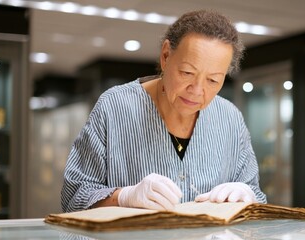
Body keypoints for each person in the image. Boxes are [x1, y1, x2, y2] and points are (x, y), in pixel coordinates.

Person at [61, 9, 267, 213]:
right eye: (187, 72)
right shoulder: (114, 106)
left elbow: (257, 198)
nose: (196, 91)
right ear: (166, 56)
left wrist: (247, 196)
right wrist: (124, 196)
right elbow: (74, 197)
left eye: (213, 80)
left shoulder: (230, 118)